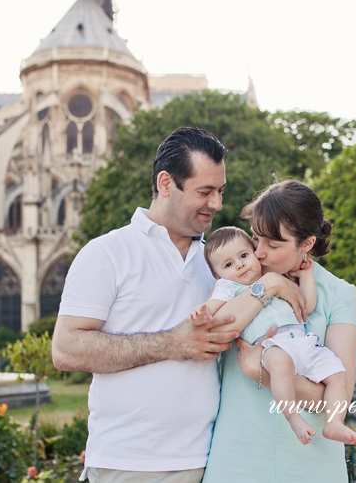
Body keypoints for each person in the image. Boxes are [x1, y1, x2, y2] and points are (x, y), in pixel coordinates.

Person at [51, 127, 243, 483]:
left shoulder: (219, 262)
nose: (217, 203)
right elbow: (66, 349)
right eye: (205, 191)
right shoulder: (106, 252)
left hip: (212, 460)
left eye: (220, 191)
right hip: (128, 464)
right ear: (166, 183)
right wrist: (172, 343)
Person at [203, 180, 356, 482]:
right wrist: (270, 285)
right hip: (236, 461)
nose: (258, 253)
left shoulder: (338, 293)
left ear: (307, 244)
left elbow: (335, 399)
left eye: (273, 245)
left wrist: (260, 372)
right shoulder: (238, 279)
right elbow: (214, 332)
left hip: (311, 465)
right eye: (256, 238)